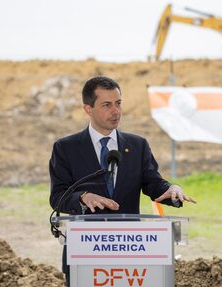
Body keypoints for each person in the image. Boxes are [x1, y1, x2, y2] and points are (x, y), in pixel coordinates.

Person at [49, 76, 196, 286]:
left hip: (130, 253)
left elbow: (153, 182)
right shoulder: (66, 148)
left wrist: (170, 188)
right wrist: (82, 197)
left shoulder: (138, 145)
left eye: (118, 103)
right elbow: (57, 197)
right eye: (106, 105)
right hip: (85, 254)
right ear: (88, 109)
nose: (115, 111)